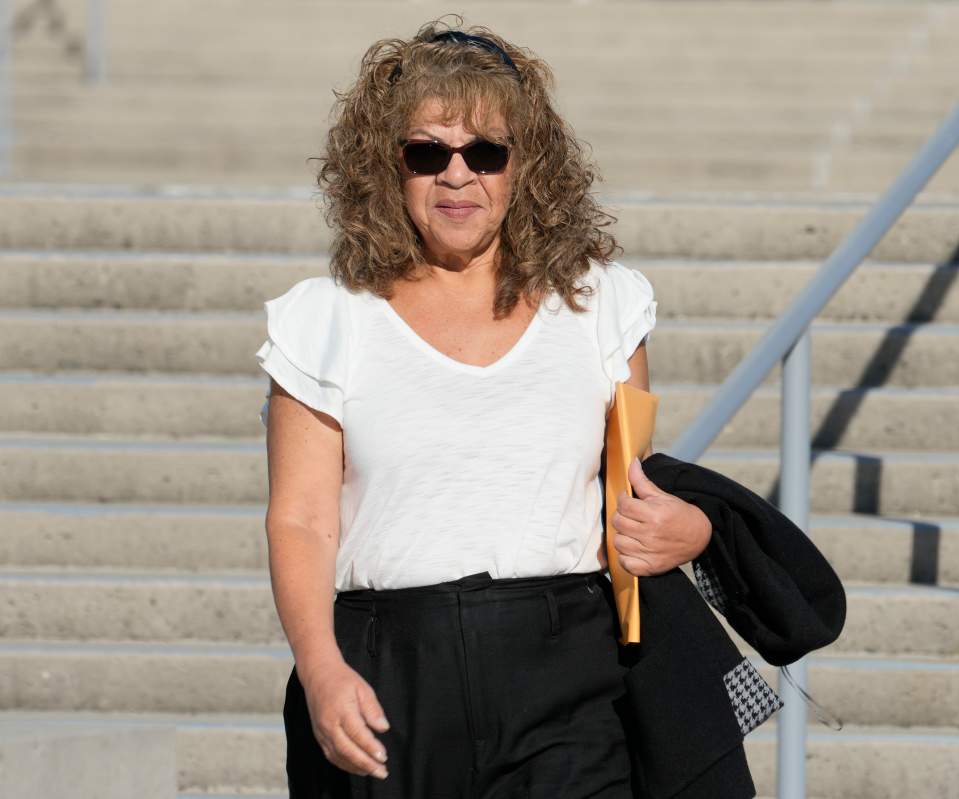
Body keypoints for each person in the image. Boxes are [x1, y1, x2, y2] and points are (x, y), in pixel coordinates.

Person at [254, 19, 713, 798]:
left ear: (524, 167)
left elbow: (627, 485)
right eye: (426, 152)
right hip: (388, 672)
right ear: (385, 168)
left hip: (565, 666)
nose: (457, 176)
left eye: (486, 152)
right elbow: (301, 519)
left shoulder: (602, 305)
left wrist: (693, 528)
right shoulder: (324, 320)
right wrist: (321, 667)